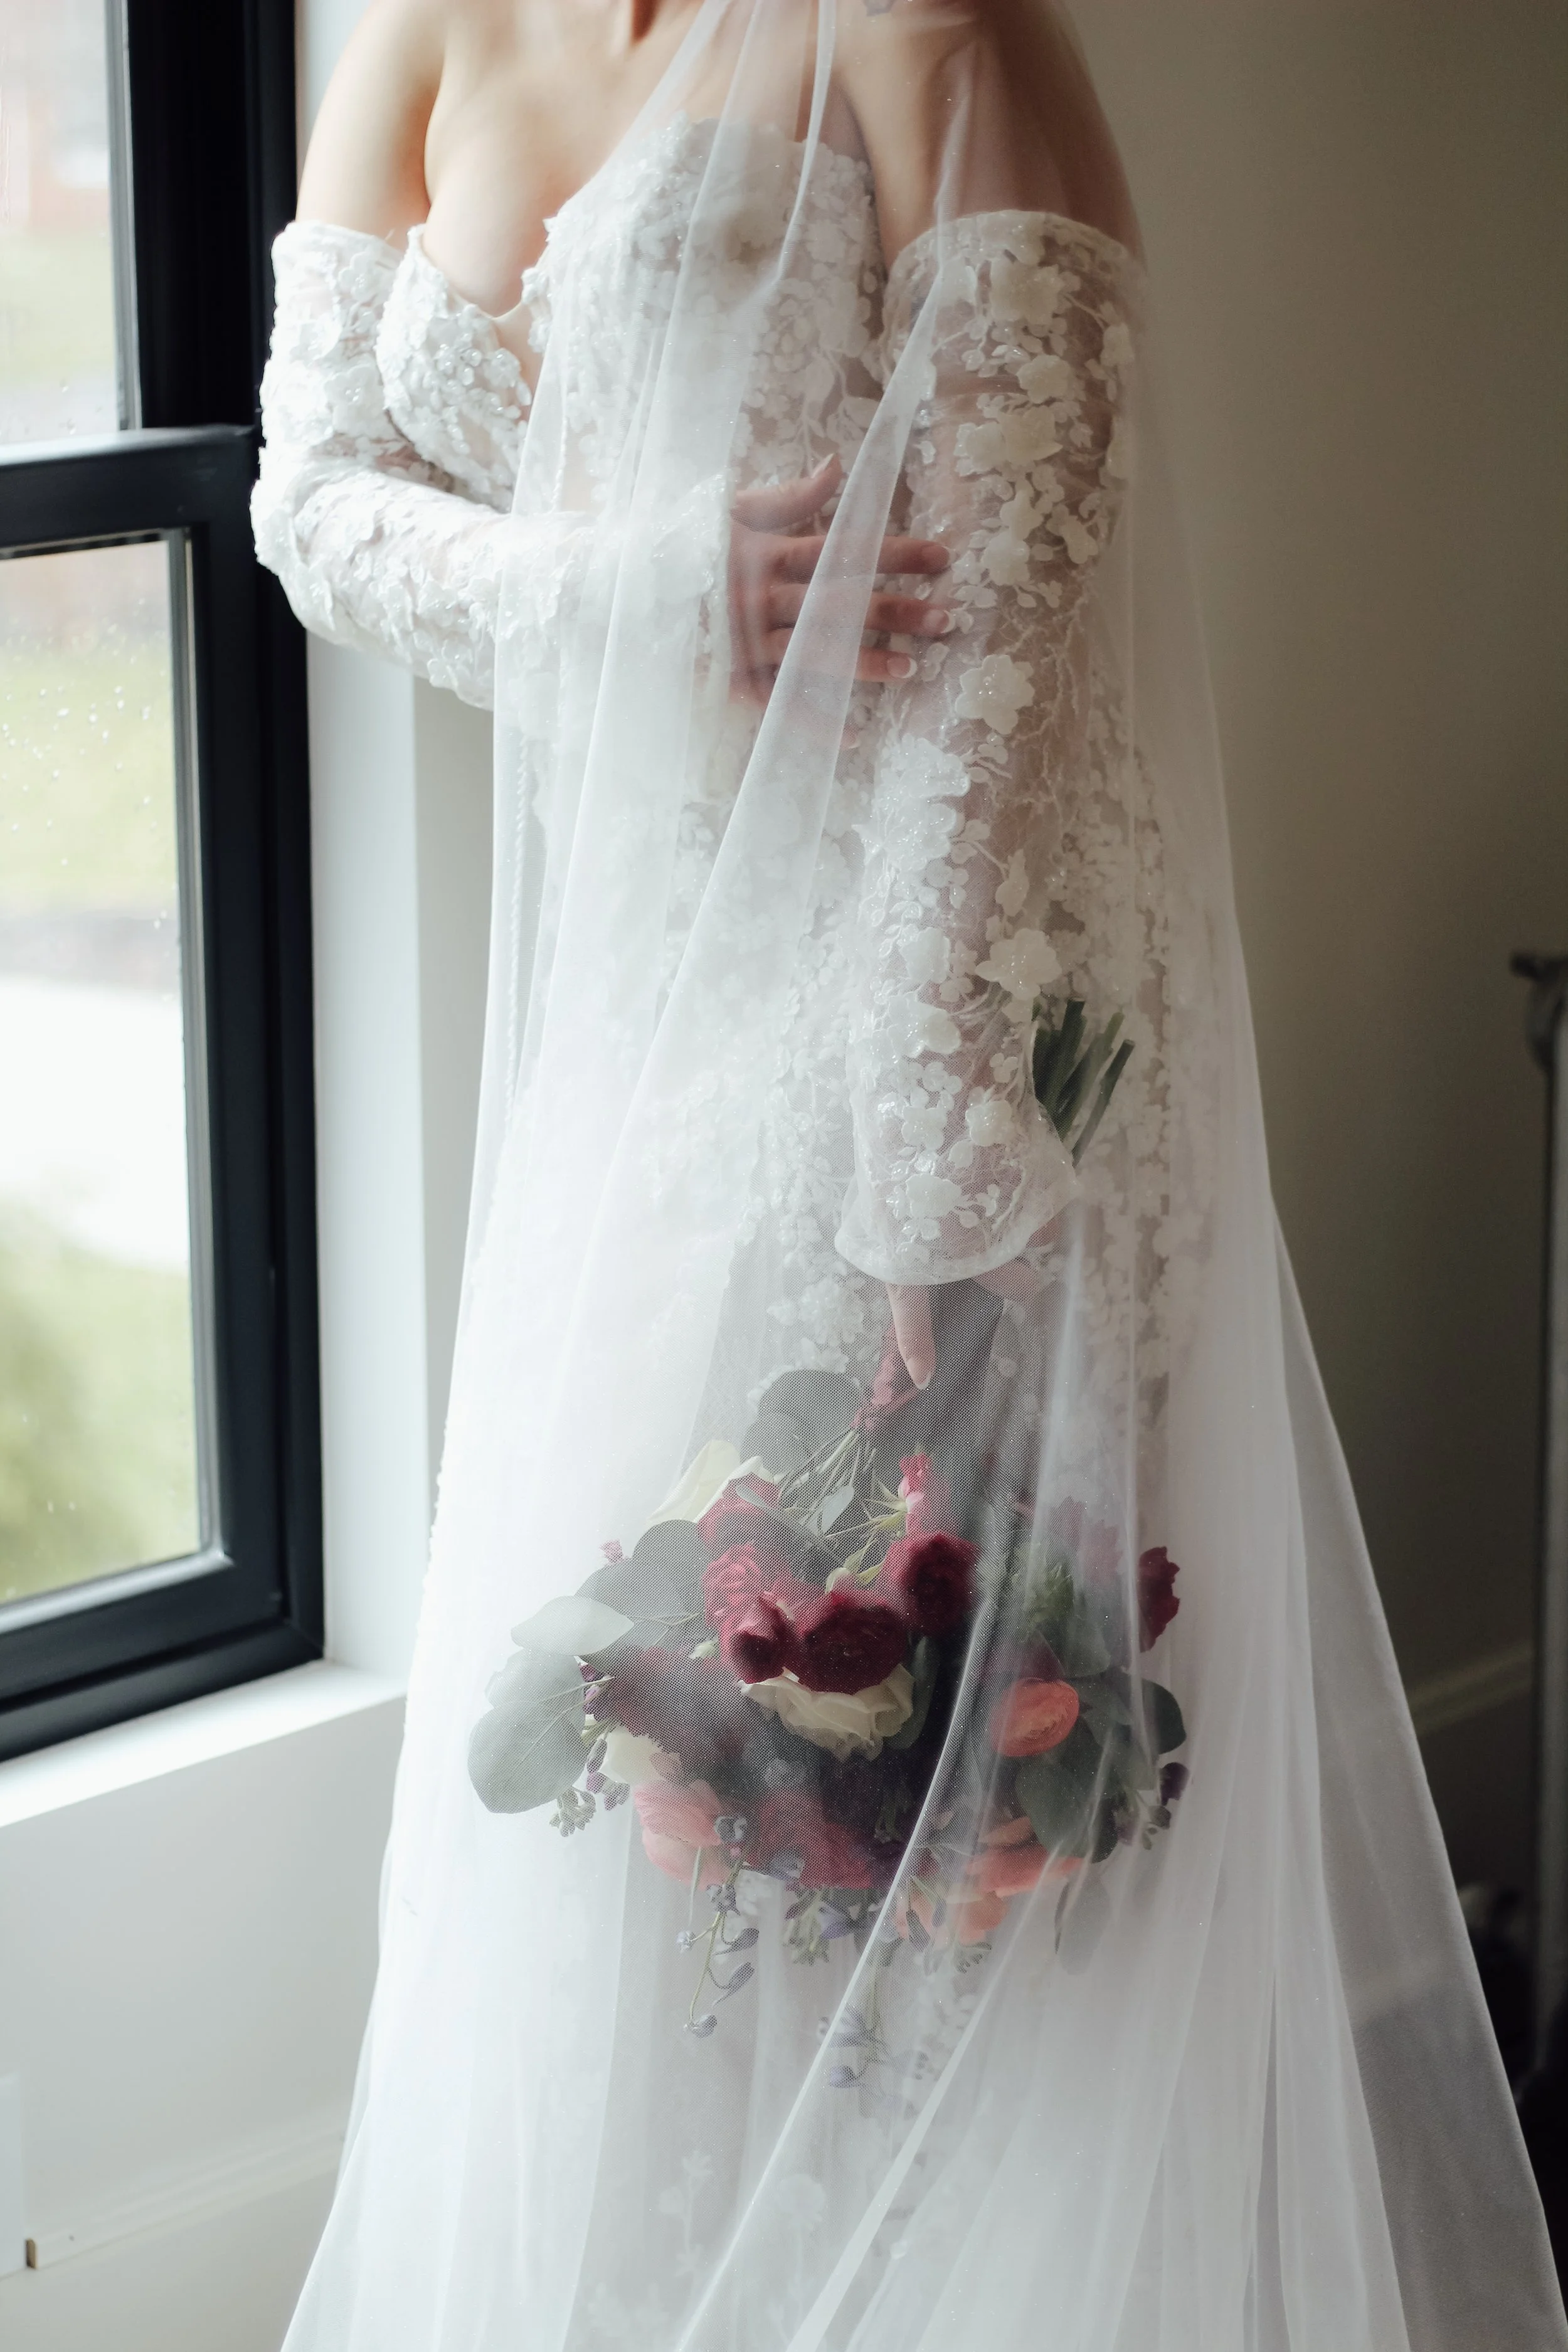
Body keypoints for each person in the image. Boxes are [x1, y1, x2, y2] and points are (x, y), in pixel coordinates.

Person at [255, 3, 1567, 2344]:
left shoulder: (924, 23)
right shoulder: (414, 35)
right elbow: (312, 502)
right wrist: (640, 590)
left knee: (927, 1851)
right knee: (614, 1836)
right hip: (629, 1073)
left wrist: (926, 1224)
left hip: (905, 1071)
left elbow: (1015, 634)